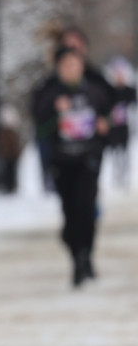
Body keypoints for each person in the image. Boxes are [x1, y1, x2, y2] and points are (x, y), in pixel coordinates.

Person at [33, 46, 112, 288]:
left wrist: (103, 128)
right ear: (58, 69)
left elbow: (111, 123)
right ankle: (74, 251)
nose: (70, 69)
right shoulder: (51, 95)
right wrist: (56, 114)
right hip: (63, 161)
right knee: (69, 211)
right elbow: (40, 129)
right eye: (65, 65)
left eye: (74, 64)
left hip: (88, 161)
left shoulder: (95, 92)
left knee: (86, 208)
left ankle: (84, 255)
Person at [30, 25, 112, 192]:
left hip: (90, 153)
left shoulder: (96, 80)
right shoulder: (50, 85)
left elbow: (112, 108)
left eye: (76, 46)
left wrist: (104, 122)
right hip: (62, 155)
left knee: (87, 199)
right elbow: (39, 118)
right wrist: (56, 111)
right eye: (67, 46)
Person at [104, 55, 137, 188]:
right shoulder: (109, 91)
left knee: (125, 151)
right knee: (114, 152)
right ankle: (116, 176)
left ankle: (125, 175)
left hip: (125, 127)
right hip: (114, 127)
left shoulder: (130, 90)